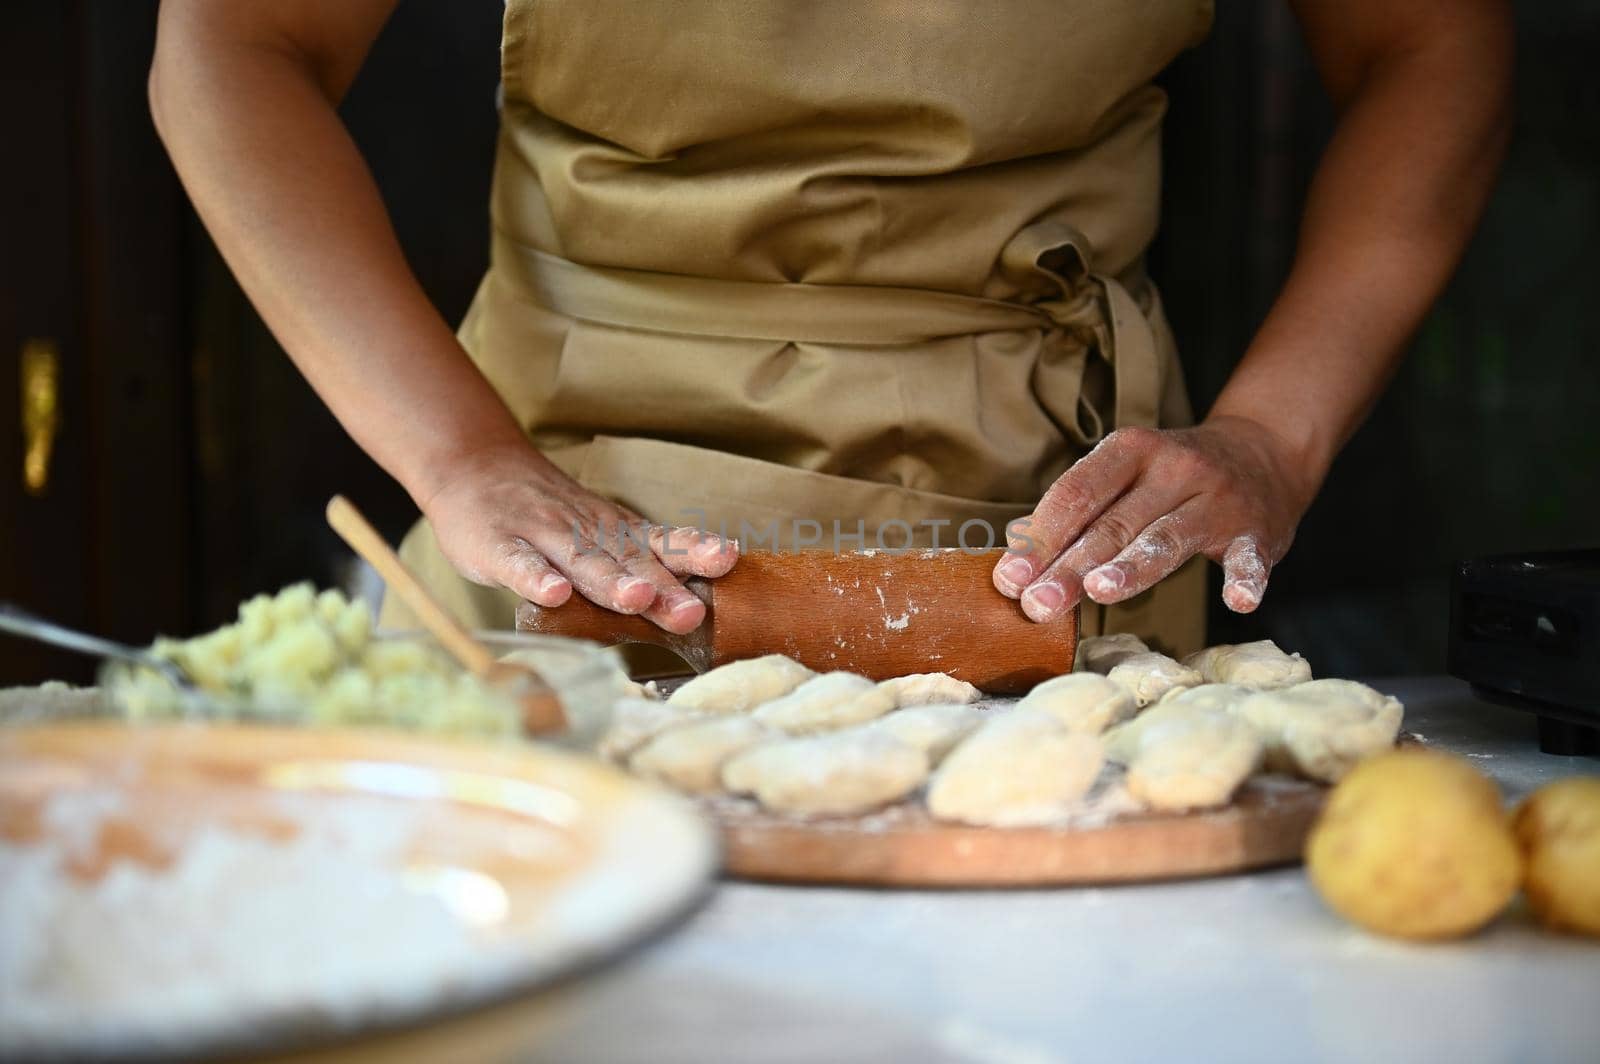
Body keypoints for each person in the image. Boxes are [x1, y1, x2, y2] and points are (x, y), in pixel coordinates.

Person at [150, 0, 1511, 657]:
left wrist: (1275, 434)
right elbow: (231, 44)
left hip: (1064, 551)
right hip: (569, 535)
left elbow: (1432, 45)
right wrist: (456, 457)